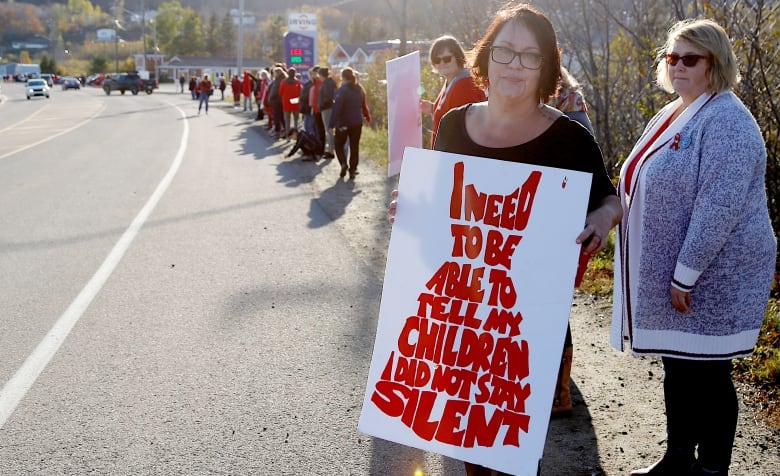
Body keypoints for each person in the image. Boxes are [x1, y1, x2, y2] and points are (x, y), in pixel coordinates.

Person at [389, 4, 622, 474]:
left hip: (524, 321)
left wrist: (599, 221)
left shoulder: (569, 139)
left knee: (513, 446)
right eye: (505, 51)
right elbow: (442, 201)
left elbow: (611, 200)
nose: (515, 64)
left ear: (547, 68)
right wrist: (410, 206)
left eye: (530, 55)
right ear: (486, 57)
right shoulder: (454, 125)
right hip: (458, 312)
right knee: (466, 443)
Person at [611, 19, 776, 476]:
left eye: (691, 58)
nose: (678, 66)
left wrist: (686, 273)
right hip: (680, 272)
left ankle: (712, 470)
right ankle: (678, 459)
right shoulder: (675, 111)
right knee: (679, 367)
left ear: (714, 64)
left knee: (709, 373)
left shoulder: (727, 120)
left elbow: (718, 207)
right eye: (672, 57)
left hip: (715, 274)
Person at [547, 64, 596, 418]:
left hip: (564, 223)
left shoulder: (572, 117)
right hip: (549, 219)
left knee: (553, 304)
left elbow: (588, 177)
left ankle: (560, 393)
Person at [420, 34, 486, 148]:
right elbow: (450, 114)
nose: (441, 64)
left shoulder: (465, 85)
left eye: (447, 59)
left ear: (458, 57)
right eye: (437, 60)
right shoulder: (452, 81)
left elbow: (466, 130)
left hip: (456, 158)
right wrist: (432, 108)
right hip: (446, 154)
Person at [329, 67, 371, 179]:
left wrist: (331, 124)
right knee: (354, 146)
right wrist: (367, 117)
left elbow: (336, 109)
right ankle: (353, 170)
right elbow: (364, 105)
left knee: (338, 144)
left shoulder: (341, 91)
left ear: (343, 78)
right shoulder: (359, 89)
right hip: (357, 122)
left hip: (343, 123)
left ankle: (343, 163)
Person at [318, 67, 337, 158]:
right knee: (329, 130)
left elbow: (328, 97)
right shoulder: (330, 82)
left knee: (329, 129)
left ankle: (331, 151)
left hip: (327, 108)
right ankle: (330, 149)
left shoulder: (327, 84)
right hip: (328, 107)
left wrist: (322, 105)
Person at [279, 67, 302, 139]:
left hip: (286, 102)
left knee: (287, 120)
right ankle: (296, 136)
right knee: (296, 120)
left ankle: (288, 136)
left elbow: (280, 92)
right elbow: (300, 92)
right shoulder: (297, 82)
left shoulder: (283, 82)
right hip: (295, 102)